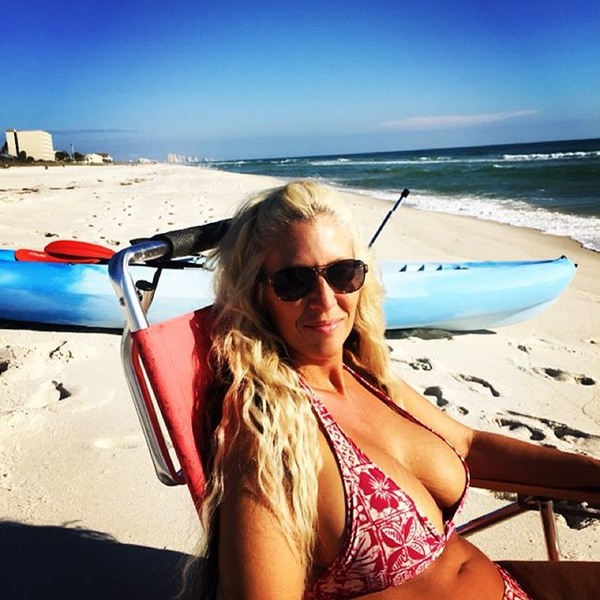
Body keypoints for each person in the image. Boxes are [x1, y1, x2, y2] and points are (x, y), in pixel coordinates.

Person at [188, 181, 600, 599]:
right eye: (294, 282)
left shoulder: (363, 373)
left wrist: (591, 472)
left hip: (511, 586)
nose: (326, 301)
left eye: (342, 274)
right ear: (257, 294)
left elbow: (468, 445)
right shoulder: (269, 433)